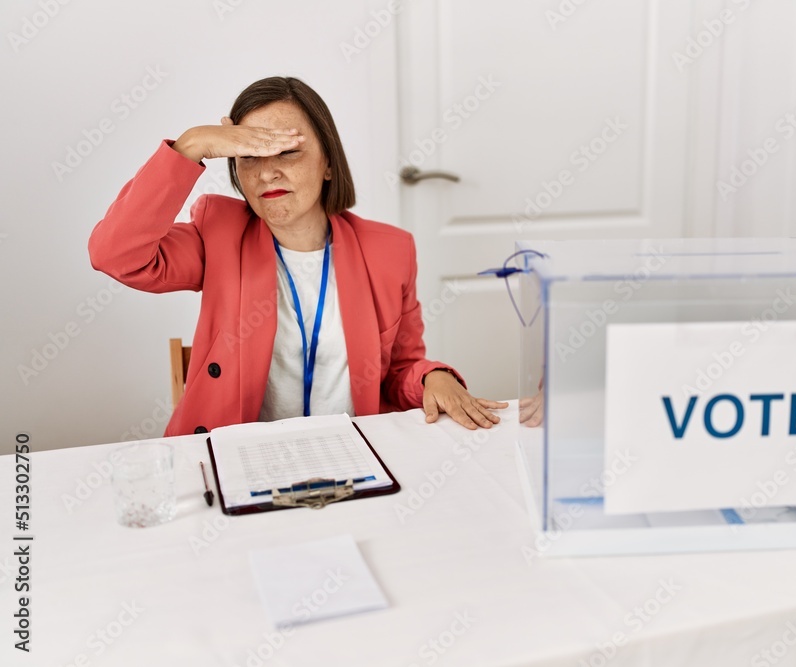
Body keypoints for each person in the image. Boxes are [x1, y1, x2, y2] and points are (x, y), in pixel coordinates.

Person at [89, 76, 507, 437]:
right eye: (250, 156)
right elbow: (115, 254)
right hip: (241, 463)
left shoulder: (390, 251)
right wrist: (190, 145)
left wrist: (434, 376)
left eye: (287, 151)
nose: (267, 172)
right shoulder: (217, 233)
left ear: (328, 163)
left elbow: (400, 371)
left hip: (350, 458)